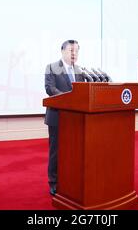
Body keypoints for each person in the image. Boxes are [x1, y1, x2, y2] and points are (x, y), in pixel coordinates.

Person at [44, 39, 85, 196]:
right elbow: (50, 88)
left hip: (75, 118)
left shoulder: (80, 70)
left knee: (73, 150)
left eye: (77, 51)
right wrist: (68, 98)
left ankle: (70, 178)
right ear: (62, 51)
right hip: (57, 116)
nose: (74, 53)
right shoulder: (52, 67)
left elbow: (82, 93)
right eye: (71, 50)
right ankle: (53, 182)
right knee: (56, 151)